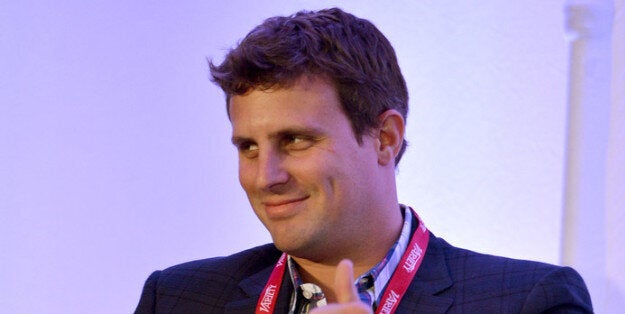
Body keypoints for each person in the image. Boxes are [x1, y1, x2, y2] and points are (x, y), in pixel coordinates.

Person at [134, 8, 593, 313]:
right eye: (248, 147)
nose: (265, 176)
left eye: (294, 140)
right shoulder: (179, 298)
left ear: (385, 139)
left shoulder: (530, 302)